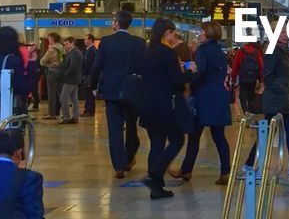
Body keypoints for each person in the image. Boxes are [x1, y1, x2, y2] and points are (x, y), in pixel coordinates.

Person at [136, 19, 193, 199]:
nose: (173, 37)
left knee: (157, 143)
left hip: (146, 104)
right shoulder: (168, 53)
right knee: (177, 139)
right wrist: (191, 72)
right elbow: (176, 80)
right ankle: (154, 175)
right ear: (166, 33)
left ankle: (157, 188)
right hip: (164, 105)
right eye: (173, 34)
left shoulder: (145, 52)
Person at [243, 40, 289, 177]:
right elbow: (268, 75)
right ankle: (251, 163)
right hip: (276, 98)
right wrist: (280, 89)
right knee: (268, 132)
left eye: (286, 31)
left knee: (284, 131)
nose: (285, 34)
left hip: (283, 97)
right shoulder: (273, 50)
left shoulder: (283, 50)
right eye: (282, 32)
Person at [89, 11, 145, 179]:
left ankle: (119, 166)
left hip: (111, 91)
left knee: (115, 129)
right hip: (132, 91)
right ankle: (129, 157)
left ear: (116, 23)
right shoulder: (139, 43)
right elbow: (143, 67)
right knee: (132, 126)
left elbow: (97, 66)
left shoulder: (106, 42)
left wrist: (93, 86)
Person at [177, 21, 233, 186]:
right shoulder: (219, 51)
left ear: (207, 33)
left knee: (194, 136)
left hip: (203, 98)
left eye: (201, 31)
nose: (199, 34)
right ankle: (225, 172)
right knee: (219, 137)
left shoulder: (202, 50)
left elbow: (199, 71)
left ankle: (186, 170)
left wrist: (188, 81)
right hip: (219, 98)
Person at [229, 37, 266, 115]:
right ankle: (251, 113)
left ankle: (246, 111)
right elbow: (261, 66)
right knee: (252, 97)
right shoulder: (256, 52)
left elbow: (235, 66)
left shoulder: (240, 51)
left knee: (242, 97)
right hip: (253, 79)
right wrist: (261, 79)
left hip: (243, 78)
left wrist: (232, 78)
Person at [55, 36, 83, 123]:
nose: (65, 46)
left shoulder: (75, 53)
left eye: (67, 44)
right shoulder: (71, 52)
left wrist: (65, 75)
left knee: (63, 97)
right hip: (73, 79)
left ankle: (66, 117)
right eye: (65, 44)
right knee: (74, 99)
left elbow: (73, 67)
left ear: (72, 43)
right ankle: (75, 117)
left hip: (70, 79)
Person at [39, 34, 63, 119]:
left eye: (49, 38)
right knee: (59, 93)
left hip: (52, 72)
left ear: (52, 39)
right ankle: (59, 111)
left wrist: (48, 63)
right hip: (61, 71)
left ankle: (51, 113)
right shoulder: (61, 47)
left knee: (51, 93)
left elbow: (42, 61)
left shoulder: (51, 50)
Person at [80, 35, 98, 118]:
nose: (84, 41)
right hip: (88, 75)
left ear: (90, 40)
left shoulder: (92, 50)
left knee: (89, 94)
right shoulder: (88, 50)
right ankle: (87, 110)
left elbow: (89, 64)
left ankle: (90, 111)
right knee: (87, 93)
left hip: (89, 75)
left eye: (86, 39)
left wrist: (87, 74)